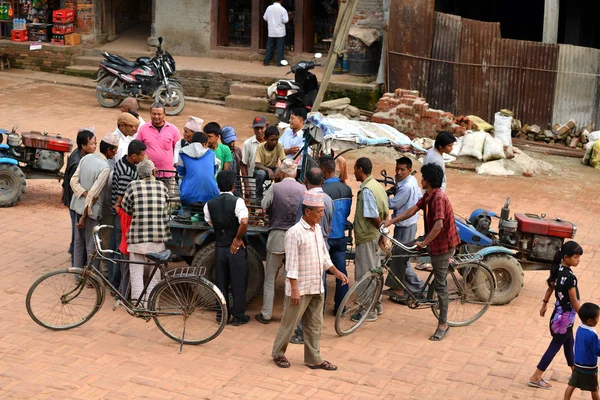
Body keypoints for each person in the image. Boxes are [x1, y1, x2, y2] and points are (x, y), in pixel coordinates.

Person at [271, 191, 348, 370]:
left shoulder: (317, 229)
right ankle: (278, 353)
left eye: (322, 211)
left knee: (315, 325)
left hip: (316, 286)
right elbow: (291, 264)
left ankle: (314, 358)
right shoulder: (294, 233)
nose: (322, 214)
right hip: (300, 288)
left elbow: (324, 255)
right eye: (319, 211)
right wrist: (294, 289)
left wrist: (336, 271)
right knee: (289, 324)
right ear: (307, 212)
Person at [384, 163, 460, 341]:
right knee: (400, 251)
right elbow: (413, 210)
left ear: (429, 180)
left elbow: (439, 225)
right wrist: (392, 221)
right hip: (431, 239)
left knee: (441, 286)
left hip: (442, 245)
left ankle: (443, 324)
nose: (421, 180)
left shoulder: (439, 198)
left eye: (423, 177)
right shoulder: (428, 195)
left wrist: (424, 242)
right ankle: (401, 290)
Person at [528, 241, 584, 389]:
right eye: (576, 257)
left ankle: (575, 371)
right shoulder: (570, 277)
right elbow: (573, 299)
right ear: (566, 257)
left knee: (568, 343)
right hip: (564, 320)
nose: (578, 260)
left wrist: (544, 304)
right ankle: (536, 376)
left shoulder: (558, 269)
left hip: (559, 317)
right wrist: (583, 316)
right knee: (555, 346)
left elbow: (550, 288)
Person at [255, 159, 305, 324]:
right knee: (289, 279)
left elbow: (264, 204)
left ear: (282, 173)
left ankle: (266, 313)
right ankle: (285, 315)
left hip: (277, 236)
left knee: (270, 278)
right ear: (295, 173)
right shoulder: (303, 189)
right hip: (296, 238)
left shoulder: (275, 187)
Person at [289, 167, 334, 345]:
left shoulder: (306, 200)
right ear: (323, 181)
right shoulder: (329, 200)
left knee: (303, 291)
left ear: (306, 179)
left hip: (307, 248)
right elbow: (329, 226)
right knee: (318, 290)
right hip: (322, 245)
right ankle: (314, 328)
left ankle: (301, 332)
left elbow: (299, 226)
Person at [121, 158, 171, 307]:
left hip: (137, 238)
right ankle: (151, 303)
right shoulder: (162, 186)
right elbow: (166, 208)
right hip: (157, 238)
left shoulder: (132, 186)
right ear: (153, 172)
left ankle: (138, 304)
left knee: (136, 273)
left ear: (139, 173)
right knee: (154, 274)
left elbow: (126, 208)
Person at [204, 170, 250, 326]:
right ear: (232, 186)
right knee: (238, 282)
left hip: (220, 246)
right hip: (236, 247)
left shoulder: (209, 204)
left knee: (221, 282)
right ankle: (238, 316)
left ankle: (221, 315)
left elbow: (210, 222)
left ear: (218, 186)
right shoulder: (238, 201)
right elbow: (243, 222)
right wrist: (237, 239)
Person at [70, 132, 119, 274]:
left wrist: (83, 194)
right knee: (92, 246)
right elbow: (94, 194)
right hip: (90, 212)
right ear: (109, 150)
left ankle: (77, 274)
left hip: (77, 206)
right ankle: (90, 277)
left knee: (79, 244)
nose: (115, 153)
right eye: (115, 150)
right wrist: (85, 214)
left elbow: (73, 181)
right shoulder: (105, 167)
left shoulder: (87, 158)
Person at [384, 157, 425, 304]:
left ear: (409, 170)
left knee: (401, 259)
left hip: (405, 225)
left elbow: (393, 204)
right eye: (397, 169)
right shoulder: (411, 180)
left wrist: (380, 197)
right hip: (407, 224)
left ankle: (419, 287)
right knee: (398, 258)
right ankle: (399, 287)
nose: (399, 172)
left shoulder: (407, 186)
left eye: (402, 170)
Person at [353, 157, 389, 321]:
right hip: (374, 236)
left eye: (354, 168)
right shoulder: (377, 186)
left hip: (367, 237)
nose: (353, 171)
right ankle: (377, 305)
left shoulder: (367, 189)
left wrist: (381, 230)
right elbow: (385, 213)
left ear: (360, 169)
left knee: (365, 275)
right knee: (375, 272)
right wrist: (382, 234)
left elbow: (373, 215)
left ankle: (368, 311)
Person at [112, 139, 147, 294]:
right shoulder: (127, 173)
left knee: (119, 250)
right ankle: (117, 286)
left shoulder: (123, 162)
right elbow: (121, 197)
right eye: (142, 155)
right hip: (122, 216)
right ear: (133, 156)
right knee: (122, 254)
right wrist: (119, 208)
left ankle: (117, 285)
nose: (144, 157)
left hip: (121, 215)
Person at [319, 155, 352, 315]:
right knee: (341, 273)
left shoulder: (321, 191)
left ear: (324, 171)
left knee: (321, 275)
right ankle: (341, 307)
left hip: (325, 239)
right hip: (340, 237)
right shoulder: (347, 189)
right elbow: (347, 213)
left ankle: (320, 308)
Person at [62, 129, 96, 267]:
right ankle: (76, 263)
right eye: (92, 143)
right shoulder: (78, 162)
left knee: (77, 234)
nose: (94, 146)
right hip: (76, 203)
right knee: (78, 235)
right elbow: (74, 185)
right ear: (83, 146)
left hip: (72, 201)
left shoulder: (78, 154)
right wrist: (88, 195)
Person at [177, 131, 220, 214]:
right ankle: (207, 218)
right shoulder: (211, 154)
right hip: (211, 194)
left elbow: (181, 173)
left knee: (180, 180)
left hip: (188, 195)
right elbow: (214, 172)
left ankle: (184, 214)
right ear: (204, 144)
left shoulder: (182, 153)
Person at [564, 302, 600, 399]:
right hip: (589, 367)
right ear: (589, 321)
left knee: (571, 385)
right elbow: (597, 350)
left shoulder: (580, 328)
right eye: (597, 318)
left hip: (578, 363)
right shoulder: (592, 335)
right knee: (594, 388)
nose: (598, 320)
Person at [136, 102, 180, 177]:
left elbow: (177, 149)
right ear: (150, 113)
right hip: (148, 173)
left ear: (164, 114)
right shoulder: (143, 129)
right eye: (154, 114)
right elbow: (137, 148)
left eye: (159, 114)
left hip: (167, 173)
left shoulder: (173, 130)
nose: (156, 116)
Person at [254, 126, 286, 201]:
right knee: (261, 174)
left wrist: (279, 169)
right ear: (265, 139)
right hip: (261, 169)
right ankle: (258, 194)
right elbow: (257, 164)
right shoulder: (260, 147)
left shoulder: (279, 146)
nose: (274, 142)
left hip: (274, 169)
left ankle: (278, 194)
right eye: (272, 140)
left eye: (276, 140)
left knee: (282, 173)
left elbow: (284, 161)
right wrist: (268, 170)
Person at [263, 0, 288, 67]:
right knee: (280, 48)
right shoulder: (283, 10)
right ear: (281, 1)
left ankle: (266, 61)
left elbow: (265, 17)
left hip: (271, 31)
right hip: (280, 32)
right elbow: (286, 20)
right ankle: (279, 63)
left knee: (269, 47)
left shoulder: (269, 8)